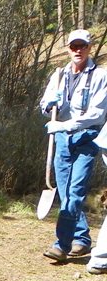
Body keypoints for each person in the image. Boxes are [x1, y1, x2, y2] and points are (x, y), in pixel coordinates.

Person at [39, 29, 107, 262]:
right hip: (61, 141)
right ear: (68, 48)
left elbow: (97, 114)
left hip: (86, 139)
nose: (78, 50)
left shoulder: (100, 76)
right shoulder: (58, 75)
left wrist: (65, 125)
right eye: (73, 46)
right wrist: (49, 105)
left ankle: (61, 244)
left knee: (74, 193)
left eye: (83, 46)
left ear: (89, 48)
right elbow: (44, 104)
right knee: (67, 193)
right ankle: (82, 238)